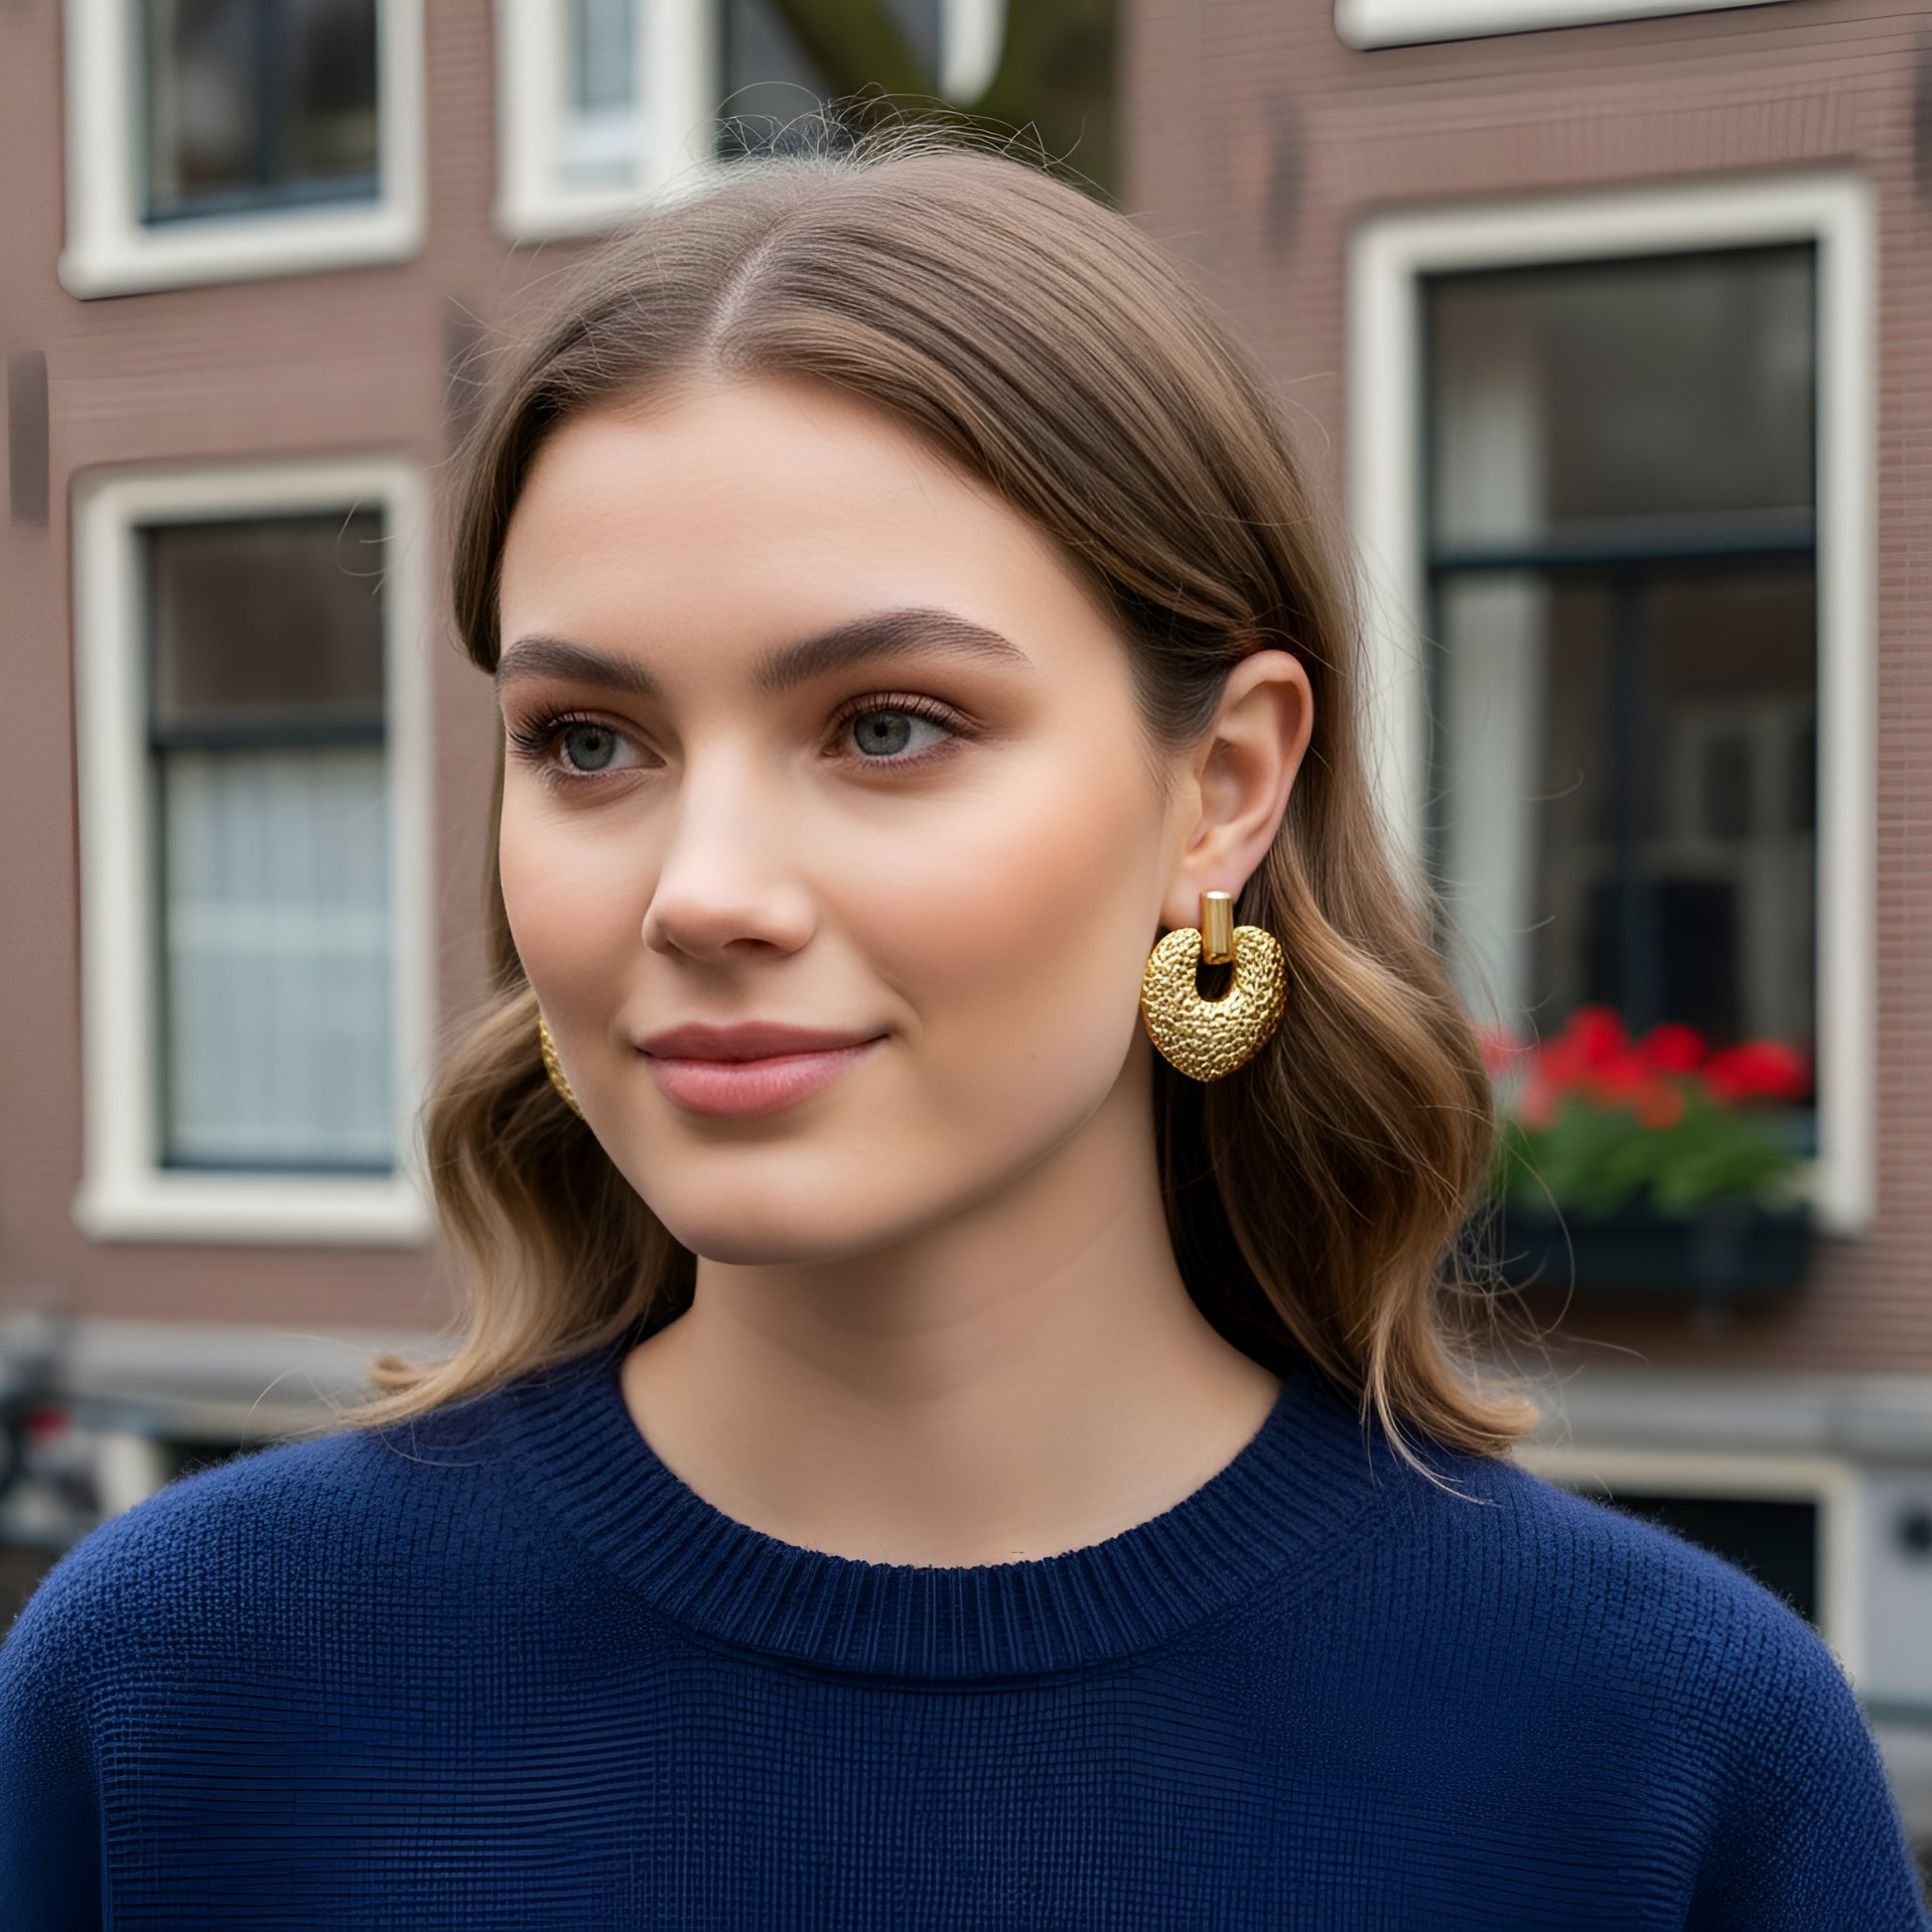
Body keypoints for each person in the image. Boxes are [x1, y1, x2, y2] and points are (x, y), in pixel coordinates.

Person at [2, 136, 1924, 1930]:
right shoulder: (175, 1694)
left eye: (886, 725)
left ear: (1221, 790)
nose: (702, 888)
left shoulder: (1662, 1762)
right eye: (590, 743)